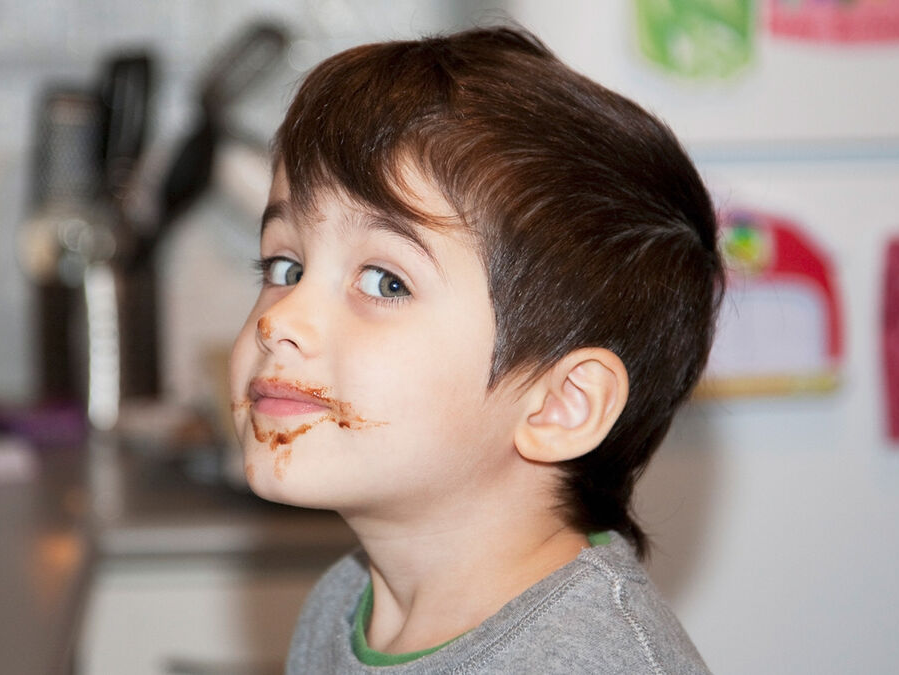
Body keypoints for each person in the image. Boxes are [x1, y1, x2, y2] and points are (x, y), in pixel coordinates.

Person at [228, 25, 722, 674]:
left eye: (385, 281)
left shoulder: (593, 661)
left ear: (560, 405)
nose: (281, 319)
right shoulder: (342, 603)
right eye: (284, 266)